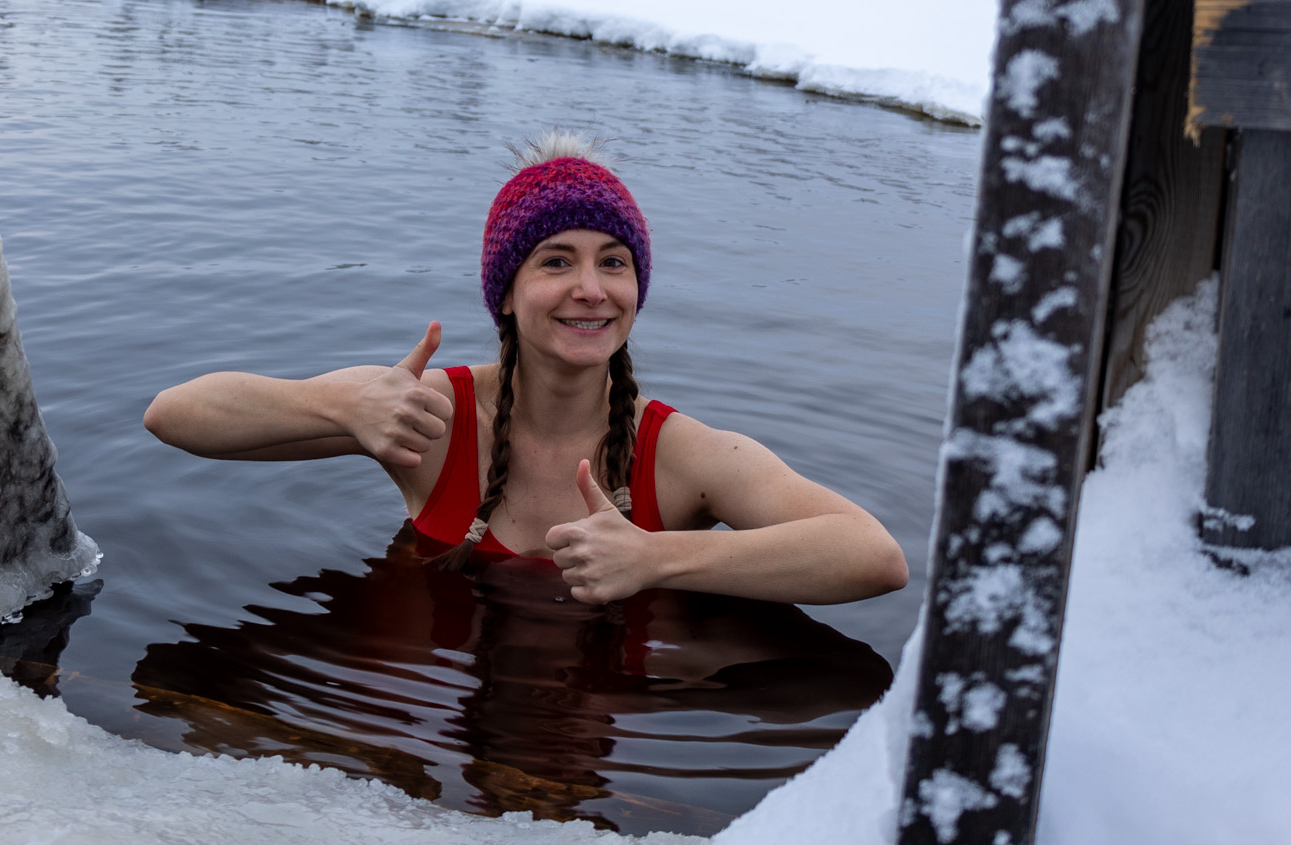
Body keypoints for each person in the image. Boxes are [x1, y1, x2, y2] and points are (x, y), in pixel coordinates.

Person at [143, 134, 909, 611]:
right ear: (504, 294)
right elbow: (174, 415)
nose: (590, 288)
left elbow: (872, 556)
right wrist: (341, 411)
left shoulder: (679, 456)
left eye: (614, 263)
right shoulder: (432, 414)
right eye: (556, 262)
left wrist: (656, 558)